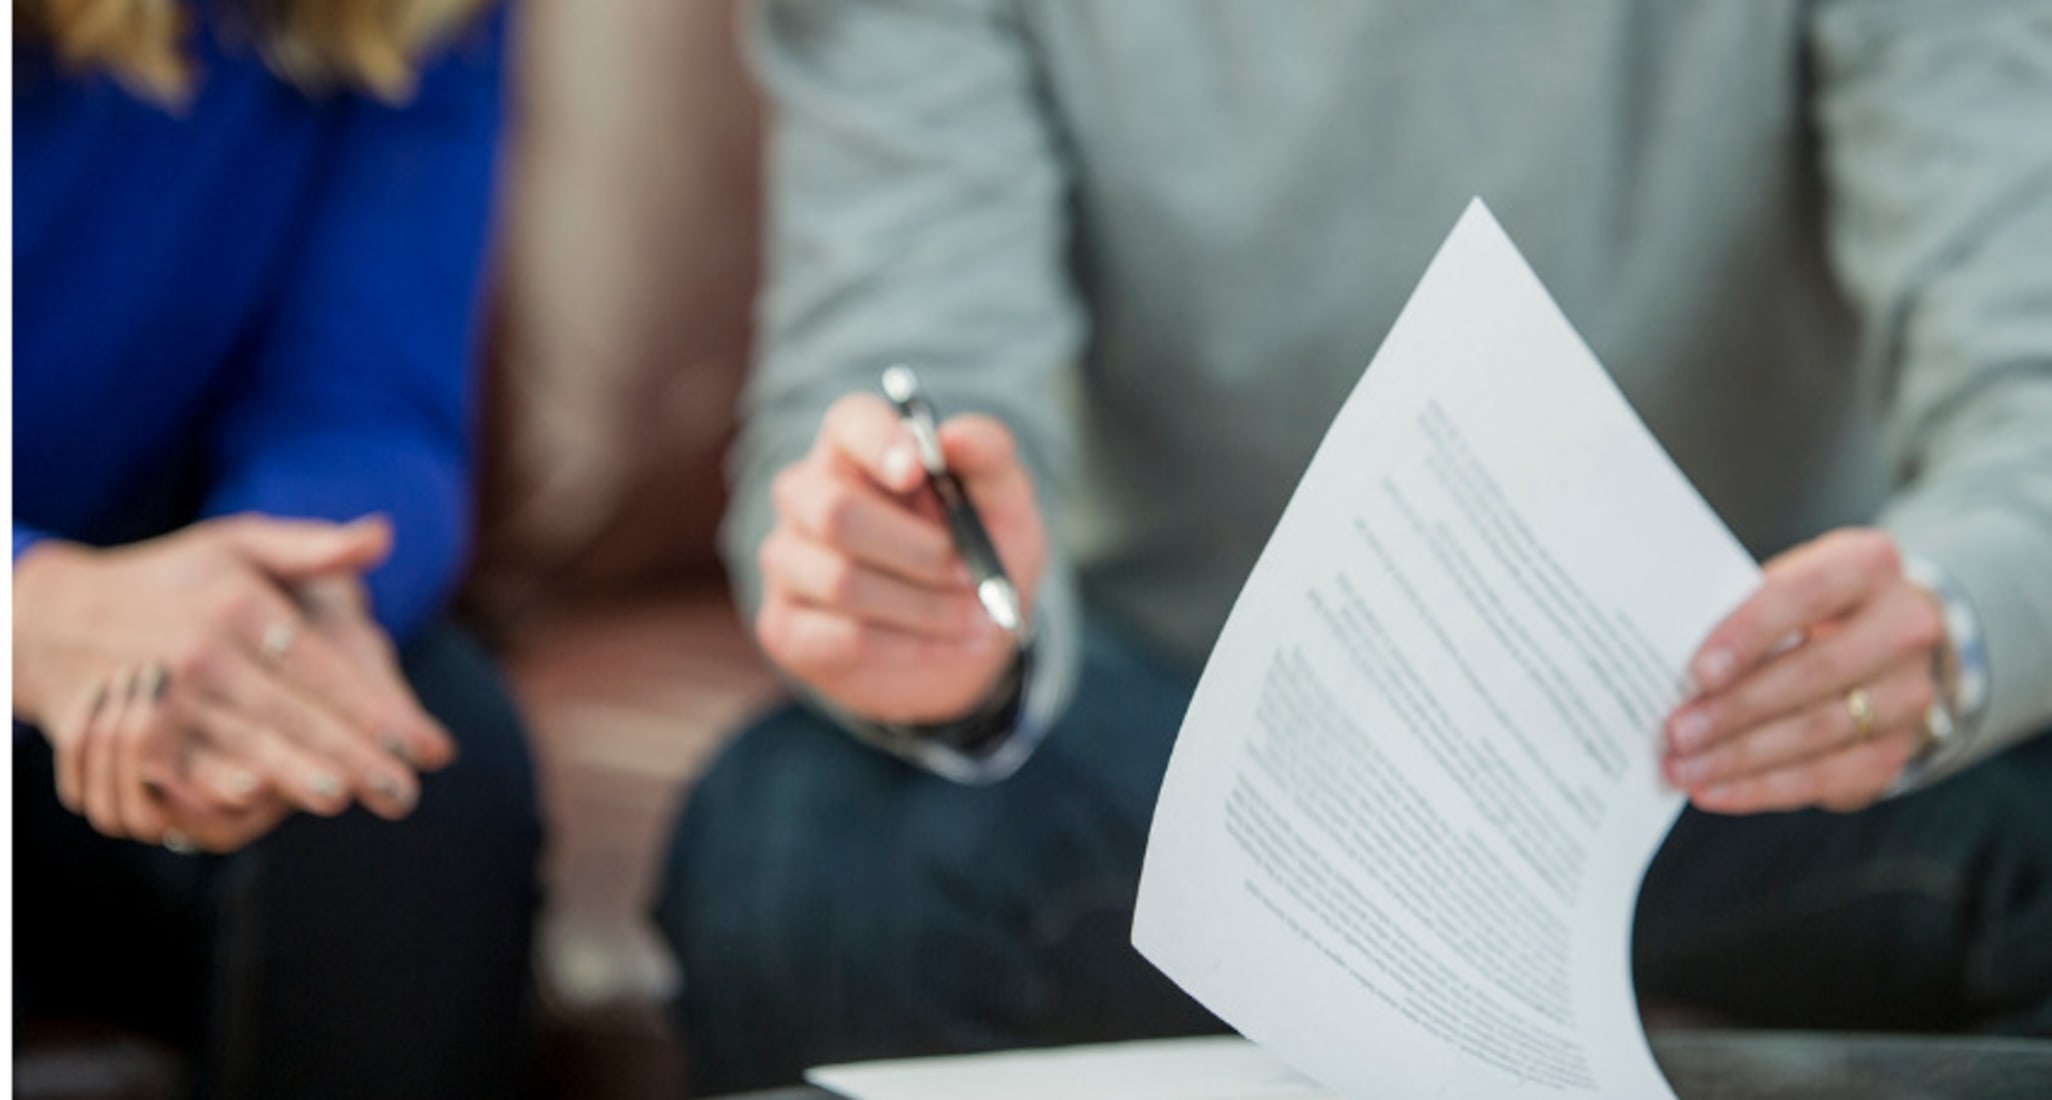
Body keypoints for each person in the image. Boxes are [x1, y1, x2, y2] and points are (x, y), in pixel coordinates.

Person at [655, 2, 2052, 1092]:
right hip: (1196, 732)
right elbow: (897, 359)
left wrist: (1956, 615)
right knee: (801, 858)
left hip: (1755, 724)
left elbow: (2026, 357)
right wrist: (931, 600)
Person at [12, 2, 540, 1097]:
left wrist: (282, 611)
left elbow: (364, 400)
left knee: (403, 765)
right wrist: (30, 608)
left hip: (141, 631)